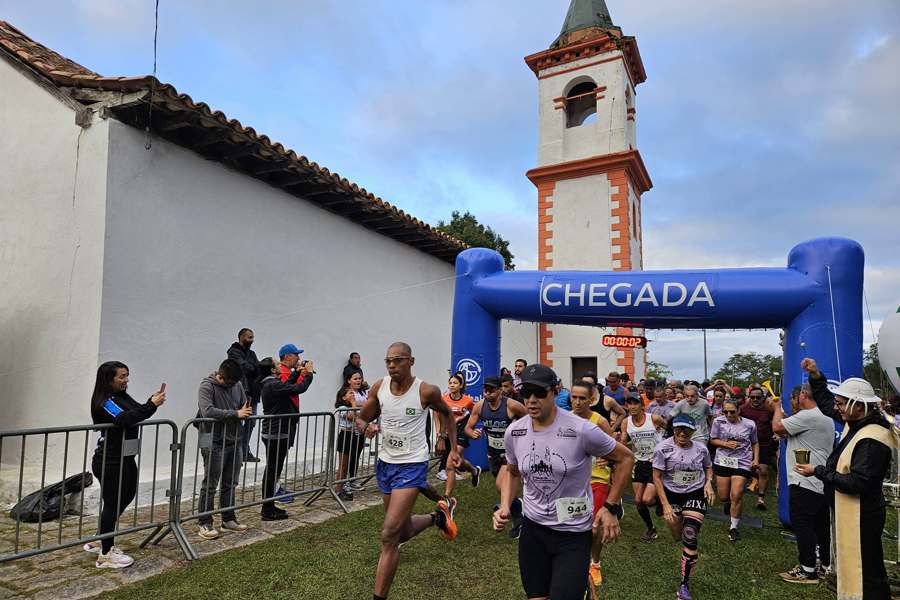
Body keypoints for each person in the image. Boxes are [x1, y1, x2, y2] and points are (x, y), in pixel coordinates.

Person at [493, 364, 635, 600]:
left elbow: (626, 459)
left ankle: (581, 583)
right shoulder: (515, 432)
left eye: (539, 393)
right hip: (534, 531)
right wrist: (505, 505)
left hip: (572, 533)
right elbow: (512, 471)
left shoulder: (581, 429)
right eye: (525, 393)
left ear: (554, 392)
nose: (531, 399)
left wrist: (610, 507)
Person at [355, 342, 460, 600]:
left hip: (412, 464)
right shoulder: (379, 388)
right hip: (385, 464)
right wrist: (364, 427)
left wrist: (453, 448)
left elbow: (448, 414)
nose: (392, 365)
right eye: (388, 361)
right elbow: (361, 417)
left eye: (398, 360)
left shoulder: (425, 391)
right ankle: (438, 516)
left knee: (389, 534)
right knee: (401, 530)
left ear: (411, 361)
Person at [794, 357, 896, 598]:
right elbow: (828, 404)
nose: (837, 408)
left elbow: (858, 482)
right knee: (855, 565)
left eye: (842, 403)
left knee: (865, 570)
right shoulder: (858, 420)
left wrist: (819, 471)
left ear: (858, 405)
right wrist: (816, 376)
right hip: (852, 511)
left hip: (863, 515)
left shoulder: (872, 437)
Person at [86, 362, 166, 568]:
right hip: (110, 460)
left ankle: (101, 537)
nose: (126, 381)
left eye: (127, 376)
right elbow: (124, 419)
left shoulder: (122, 397)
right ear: (109, 379)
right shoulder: (105, 402)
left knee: (128, 494)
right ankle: (105, 555)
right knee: (112, 503)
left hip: (126, 457)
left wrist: (150, 402)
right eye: (121, 377)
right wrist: (152, 406)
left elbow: (137, 411)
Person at [772, 380, 835, 584]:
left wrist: (775, 407)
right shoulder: (825, 417)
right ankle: (826, 566)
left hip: (804, 480)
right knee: (821, 526)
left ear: (803, 396)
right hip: (821, 480)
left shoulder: (807, 416)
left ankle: (807, 569)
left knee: (803, 525)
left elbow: (777, 427)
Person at [652, 414, 715, 600]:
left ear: (693, 431)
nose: (682, 432)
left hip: (695, 492)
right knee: (677, 533)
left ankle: (684, 585)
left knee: (690, 534)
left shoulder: (701, 449)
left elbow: (708, 467)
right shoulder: (663, 449)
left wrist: (708, 482)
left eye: (687, 429)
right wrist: (665, 505)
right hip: (671, 493)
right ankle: (679, 529)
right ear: (673, 429)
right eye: (678, 428)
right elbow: (656, 477)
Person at [196, 359, 253, 539]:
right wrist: (235, 414)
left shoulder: (237, 385)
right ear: (221, 377)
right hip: (211, 439)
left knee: (231, 482)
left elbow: (244, 405)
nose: (233, 386)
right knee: (210, 483)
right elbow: (207, 411)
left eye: (236, 383)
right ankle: (205, 523)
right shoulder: (207, 386)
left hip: (234, 439)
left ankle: (228, 519)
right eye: (229, 383)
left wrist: (244, 411)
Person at [464, 376, 527, 538]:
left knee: (501, 485)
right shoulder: (480, 406)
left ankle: (509, 510)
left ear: (500, 390)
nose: (487, 392)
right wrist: (473, 433)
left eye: (492, 389)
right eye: (485, 389)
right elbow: (468, 428)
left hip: (511, 452)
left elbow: (531, 420)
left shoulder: (511, 405)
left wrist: (519, 433)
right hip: (493, 453)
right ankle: (518, 513)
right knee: (504, 487)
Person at [569, 380, 616, 588]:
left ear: (591, 399)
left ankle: (595, 563)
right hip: (572, 480)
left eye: (582, 398)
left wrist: (609, 459)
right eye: (574, 397)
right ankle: (571, 560)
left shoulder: (599, 421)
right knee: (570, 522)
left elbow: (616, 449)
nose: (577, 402)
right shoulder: (565, 419)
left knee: (594, 528)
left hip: (597, 479)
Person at [257, 357, 314, 520]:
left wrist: (297, 371)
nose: (280, 368)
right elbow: (297, 388)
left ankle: (269, 505)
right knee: (272, 471)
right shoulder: (272, 385)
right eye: (277, 365)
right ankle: (267, 510)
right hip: (276, 432)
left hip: (276, 432)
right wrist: (308, 374)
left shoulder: (271, 383)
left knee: (273, 470)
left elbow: (288, 385)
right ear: (273, 370)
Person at [709, 398, 759, 542]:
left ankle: (734, 528)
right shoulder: (718, 421)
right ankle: (729, 503)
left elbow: (755, 442)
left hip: (742, 461)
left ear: (738, 410)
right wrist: (725, 444)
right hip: (723, 460)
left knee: (736, 494)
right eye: (725, 412)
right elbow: (712, 439)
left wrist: (755, 459)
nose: (729, 415)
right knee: (724, 496)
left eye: (732, 411)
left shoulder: (749, 424)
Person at [623, 393, 666, 541]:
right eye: (629, 403)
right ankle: (651, 528)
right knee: (638, 501)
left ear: (642, 405)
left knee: (647, 500)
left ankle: (660, 500)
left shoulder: (653, 418)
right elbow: (623, 443)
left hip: (655, 462)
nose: (632, 406)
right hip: (639, 462)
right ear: (627, 406)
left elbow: (671, 430)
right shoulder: (625, 422)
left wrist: (665, 447)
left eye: (635, 403)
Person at [436, 374, 482, 494]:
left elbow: (476, 412)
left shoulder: (468, 400)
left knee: (450, 463)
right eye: (450, 383)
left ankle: (447, 497)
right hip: (448, 432)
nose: (452, 385)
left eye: (455, 383)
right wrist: (439, 432)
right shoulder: (444, 399)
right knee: (459, 461)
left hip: (461, 431)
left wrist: (471, 428)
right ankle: (474, 470)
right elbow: (437, 413)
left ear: (460, 385)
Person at [740, 384, 776, 510]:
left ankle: (761, 499)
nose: (755, 400)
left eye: (758, 397)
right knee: (744, 470)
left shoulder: (768, 409)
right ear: (749, 397)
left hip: (764, 444)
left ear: (763, 398)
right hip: (746, 445)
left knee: (763, 471)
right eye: (753, 397)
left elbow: (775, 423)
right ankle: (737, 496)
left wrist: (775, 433)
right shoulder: (743, 409)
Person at [228, 328, 261, 462]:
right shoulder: (233, 352)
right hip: (241, 392)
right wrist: (253, 368)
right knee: (237, 421)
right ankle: (236, 453)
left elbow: (258, 368)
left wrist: (254, 368)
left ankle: (244, 451)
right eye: (249, 337)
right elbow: (245, 367)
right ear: (241, 337)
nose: (252, 340)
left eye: (252, 337)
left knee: (251, 422)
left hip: (252, 392)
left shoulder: (251, 353)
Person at [335, 371, 369, 501]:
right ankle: (338, 490)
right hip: (346, 437)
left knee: (350, 462)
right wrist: (354, 403)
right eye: (349, 393)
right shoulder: (343, 408)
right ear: (344, 397)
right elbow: (352, 416)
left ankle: (345, 485)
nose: (352, 395)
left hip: (355, 435)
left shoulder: (356, 401)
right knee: (343, 465)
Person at [277, 343, 308, 409]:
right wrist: (307, 373)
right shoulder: (283, 371)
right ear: (287, 357)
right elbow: (299, 387)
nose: (299, 358)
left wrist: (299, 370)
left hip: (291, 413)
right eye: (296, 355)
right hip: (287, 414)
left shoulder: (287, 370)